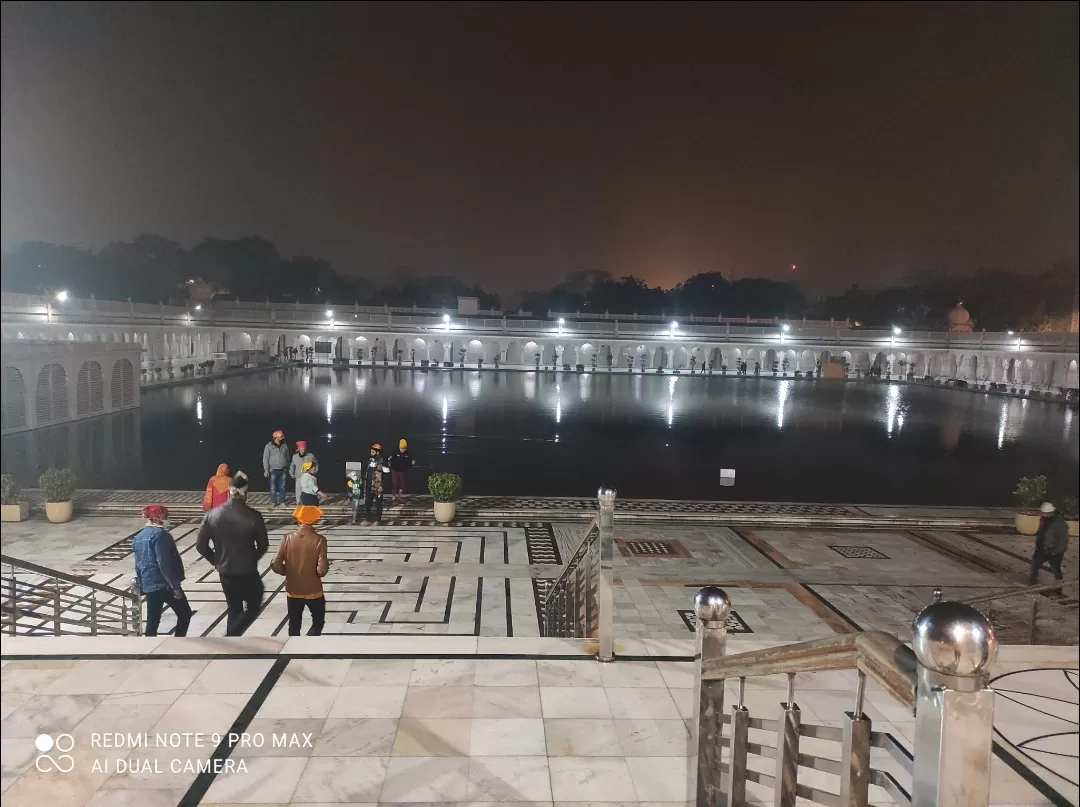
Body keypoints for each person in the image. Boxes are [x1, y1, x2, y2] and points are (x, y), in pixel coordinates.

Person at [196, 471, 269, 635]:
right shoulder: (254, 516)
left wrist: (215, 560)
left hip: (225, 572)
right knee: (254, 604)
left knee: (234, 608)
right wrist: (252, 558)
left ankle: (231, 642)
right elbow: (263, 545)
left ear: (230, 491)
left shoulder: (212, 515)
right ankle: (232, 636)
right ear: (246, 492)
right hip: (247, 571)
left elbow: (201, 546)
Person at [133, 504, 192, 637]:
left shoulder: (138, 537)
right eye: (166, 517)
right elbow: (164, 563)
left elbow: (138, 564)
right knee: (185, 614)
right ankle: (179, 641)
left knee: (152, 622)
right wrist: (175, 587)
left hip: (149, 585)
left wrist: (142, 586)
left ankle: (149, 647)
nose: (167, 520)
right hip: (164, 584)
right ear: (158, 517)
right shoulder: (161, 535)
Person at [271, 505, 329, 636]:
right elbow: (321, 570)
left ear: (299, 520)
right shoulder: (320, 540)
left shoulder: (287, 538)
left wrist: (286, 571)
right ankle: (309, 642)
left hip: (293, 589)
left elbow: (275, 563)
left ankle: (293, 647)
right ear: (315, 521)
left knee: (294, 622)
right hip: (313, 589)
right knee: (318, 621)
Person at [1029, 501, 1069, 584]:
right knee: (1034, 565)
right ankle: (1032, 583)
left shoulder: (1060, 524)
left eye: (1045, 513)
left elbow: (1063, 541)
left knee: (1056, 571)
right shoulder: (1044, 520)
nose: (1043, 515)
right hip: (1042, 548)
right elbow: (1041, 532)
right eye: (1042, 513)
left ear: (1051, 512)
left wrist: (1057, 551)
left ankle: (1058, 590)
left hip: (1054, 550)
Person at [360, 443, 390, 526]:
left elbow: (387, 475)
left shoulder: (383, 461)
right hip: (369, 485)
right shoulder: (370, 460)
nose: (371, 452)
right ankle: (368, 519)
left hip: (378, 486)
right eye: (371, 450)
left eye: (373, 451)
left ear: (378, 452)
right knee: (368, 503)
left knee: (378, 504)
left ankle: (377, 520)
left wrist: (382, 486)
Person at [262, 429, 290, 508]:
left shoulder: (284, 445)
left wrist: (288, 466)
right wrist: (266, 470)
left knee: (282, 487)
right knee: (273, 487)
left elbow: (287, 457)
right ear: (276, 437)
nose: (283, 437)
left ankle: (282, 502)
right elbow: (265, 458)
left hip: (283, 469)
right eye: (281, 436)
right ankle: (274, 502)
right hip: (273, 469)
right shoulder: (269, 446)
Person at [289, 440, 318, 504]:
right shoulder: (295, 457)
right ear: (298, 448)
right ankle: (299, 505)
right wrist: (291, 473)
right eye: (302, 447)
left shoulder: (310, 456)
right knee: (298, 494)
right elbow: (292, 465)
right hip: (298, 477)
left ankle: (311, 503)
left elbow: (316, 463)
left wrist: (315, 472)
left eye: (304, 447)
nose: (303, 449)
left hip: (308, 477)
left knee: (311, 491)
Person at [388, 438, 414, 504]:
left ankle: (400, 497)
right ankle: (393, 497)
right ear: (399, 447)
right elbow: (389, 460)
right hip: (395, 470)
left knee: (401, 484)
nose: (403, 450)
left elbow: (411, 461)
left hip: (403, 471)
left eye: (404, 448)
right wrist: (390, 466)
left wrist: (412, 463)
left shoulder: (407, 454)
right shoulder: (395, 452)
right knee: (394, 484)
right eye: (402, 448)